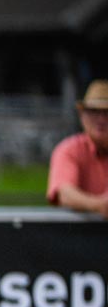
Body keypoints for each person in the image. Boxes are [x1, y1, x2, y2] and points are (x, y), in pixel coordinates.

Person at [47, 80, 108, 218]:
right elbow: (65, 194)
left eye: (107, 112)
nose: (101, 119)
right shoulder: (69, 150)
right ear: (82, 116)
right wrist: (100, 205)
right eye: (94, 111)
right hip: (80, 237)